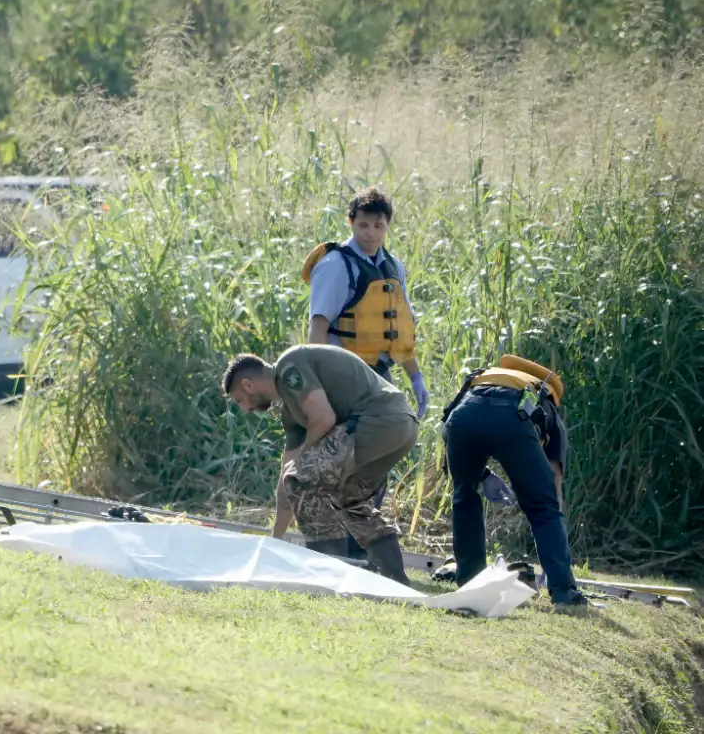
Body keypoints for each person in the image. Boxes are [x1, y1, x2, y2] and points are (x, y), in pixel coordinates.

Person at [222, 344, 418, 584]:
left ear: (248, 385)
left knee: (302, 476)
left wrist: (301, 463)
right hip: (401, 428)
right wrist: (275, 540)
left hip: (379, 420)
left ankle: (325, 573)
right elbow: (287, 481)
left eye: (240, 400)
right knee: (349, 501)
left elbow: (324, 418)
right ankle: (395, 577)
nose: (245, 409)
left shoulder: (289, 366)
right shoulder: (291, 413)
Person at [301, 186, 426, 560]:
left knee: (374, 463)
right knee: (337, 465)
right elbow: (318, 327)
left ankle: (359, 550)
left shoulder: (393, 267)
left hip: (379, 379)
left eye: (378, 225)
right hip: (343, 377)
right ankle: (331, 550)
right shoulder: (337, 264)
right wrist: (321, 382)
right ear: (351, 222)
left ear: (387, 227)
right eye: (364, 225)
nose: (370, 233)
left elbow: (399, 331)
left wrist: (415, 377)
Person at [438, 355, 588, 606]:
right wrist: (551, 516)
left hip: (464, 416)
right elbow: (554, 480)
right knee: (543, 507)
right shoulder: (544, 397)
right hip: (514, 419)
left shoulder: (480, 378)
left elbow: (446, 429)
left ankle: (471, 583)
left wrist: (482, 476)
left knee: (464, 497)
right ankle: (564, 592)